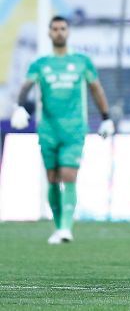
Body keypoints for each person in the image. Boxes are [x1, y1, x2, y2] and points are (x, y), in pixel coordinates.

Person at [11, 16, 115, 244]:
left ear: (68, 32)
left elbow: (96, 89)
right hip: (48, 130)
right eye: (55, 29)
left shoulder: (81, 61)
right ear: (50, 33)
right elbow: (26, 86)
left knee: (68, 175)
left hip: (74, 129)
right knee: (51, 178)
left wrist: (106, 118)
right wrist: (19, 107)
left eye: (63, 28)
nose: (59, 32)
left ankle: (66, 227)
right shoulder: (40, 63)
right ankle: (58, 227)